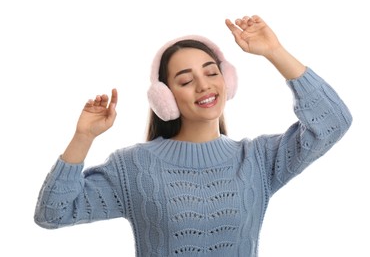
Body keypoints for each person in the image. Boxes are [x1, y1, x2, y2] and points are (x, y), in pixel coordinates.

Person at [34, 15, 352, 256]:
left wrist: (274, 51)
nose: (204, 86)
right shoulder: (133, 167)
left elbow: (333, 121)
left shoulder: (258, 159)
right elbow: (52, 214)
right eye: (186, 81)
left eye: (212, 73)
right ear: (165, 98)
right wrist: (83, 137)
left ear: (228, 80)